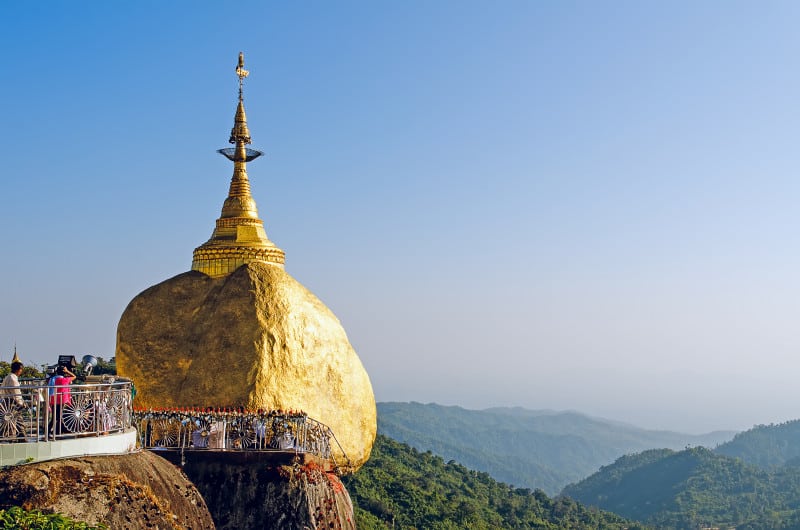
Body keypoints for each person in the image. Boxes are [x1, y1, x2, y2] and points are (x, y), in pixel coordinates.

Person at [48, 365, 76, 436]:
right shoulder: (65, 380)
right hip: (61, 401)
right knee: (57, 417)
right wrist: (67, 371)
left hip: (53, 400)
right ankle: (51, 431)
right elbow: (74, 376)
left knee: (56, 417)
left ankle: (55, 431)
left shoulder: (52, 379)